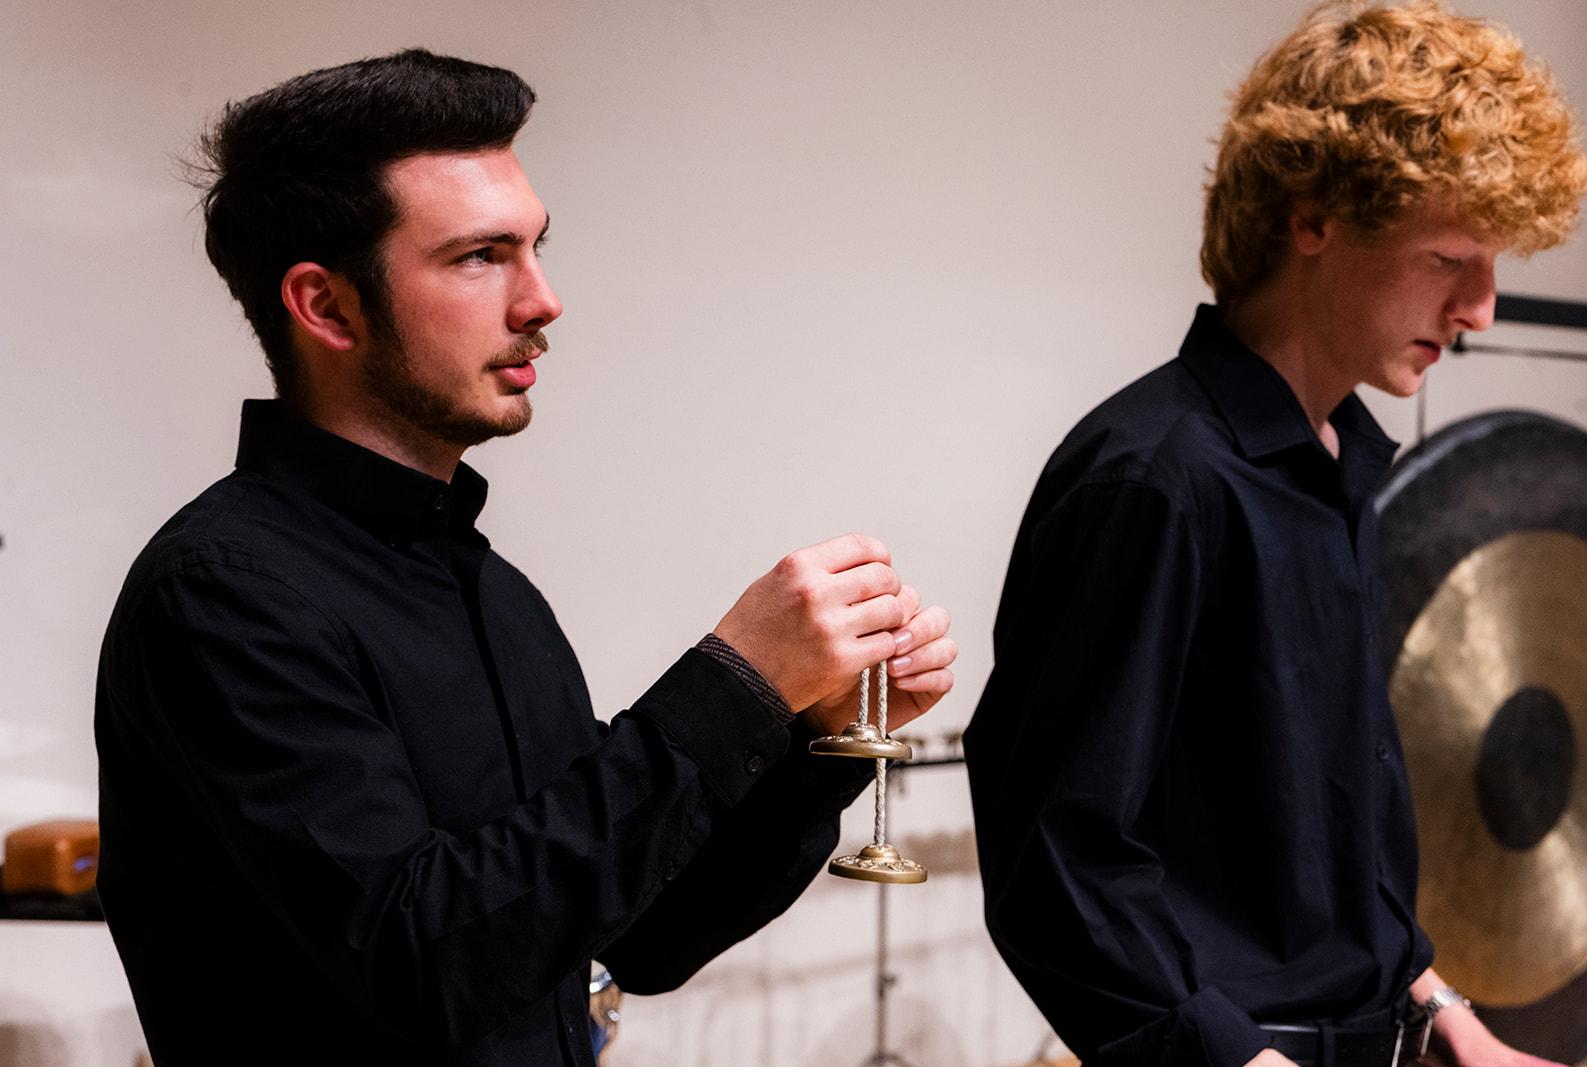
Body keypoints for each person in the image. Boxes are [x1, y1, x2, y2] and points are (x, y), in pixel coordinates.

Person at [94, 50, 956, 1066]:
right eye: (478, 256)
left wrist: (812, 732)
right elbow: (425, 963)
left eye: (537, 247)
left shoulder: (497, 595)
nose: (542, 300)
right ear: (326, 306)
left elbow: (642, 933)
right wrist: (736, 682)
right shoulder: (224, 594)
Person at [964, 3, 1587, 1066]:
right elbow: (1056, 864)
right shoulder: (1154, 478)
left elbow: (1322, 866)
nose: (1482, 308)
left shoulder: (1342, 469)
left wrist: (1444, 1013)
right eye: (1449, 257)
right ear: (1313, 219)